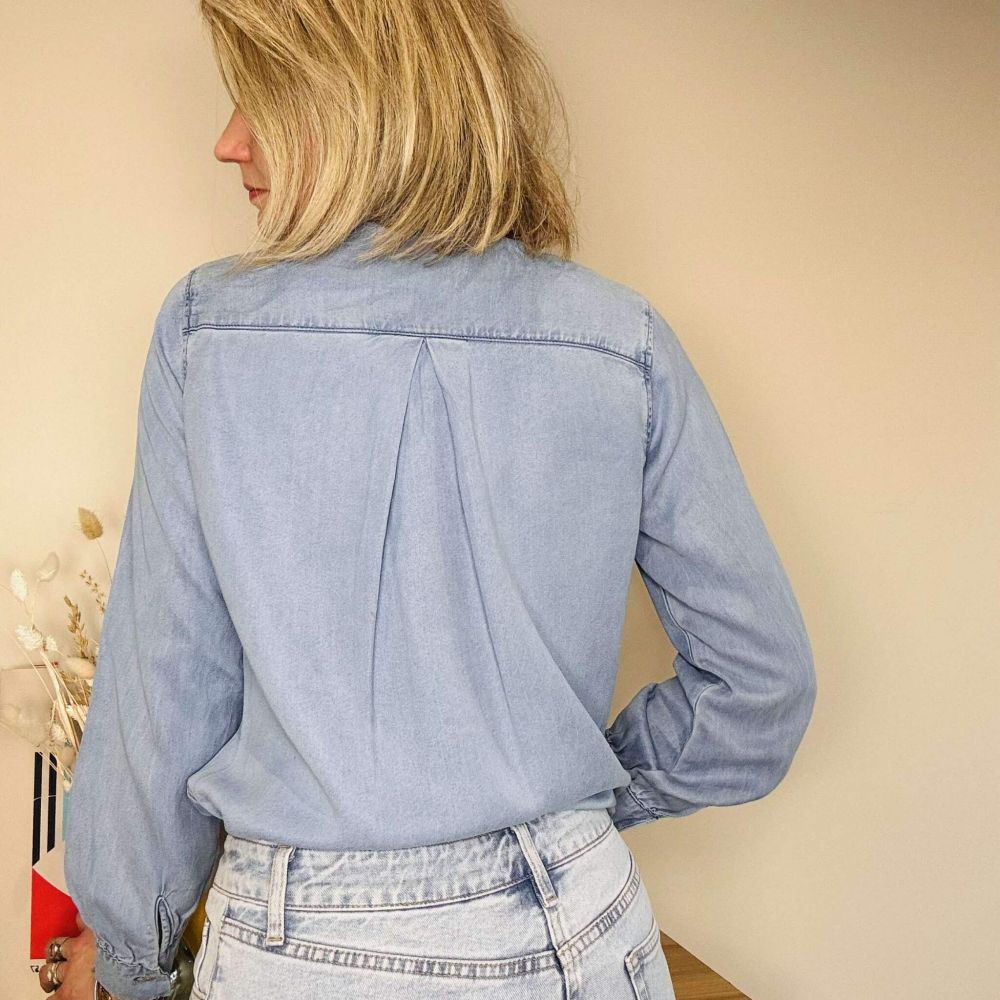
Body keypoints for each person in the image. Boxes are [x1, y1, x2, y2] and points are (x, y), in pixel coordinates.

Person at [46, 1, 817, 998]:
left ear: (363, 102)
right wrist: (572, 800)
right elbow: (759, 688)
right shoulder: (619, 338)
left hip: (313, 942)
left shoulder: (210, 332)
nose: (227, 141)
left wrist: (129, 958)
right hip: (584, 923)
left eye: (259, 97)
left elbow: (167, 692)